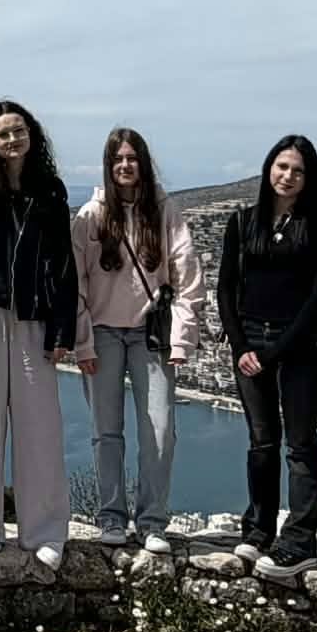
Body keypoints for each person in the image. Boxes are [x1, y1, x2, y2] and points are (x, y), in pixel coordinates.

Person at [0, 100, 77, 568]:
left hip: (34, 318)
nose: (11, 140)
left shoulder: (50, 190)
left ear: (32, 134)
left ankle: (44, 531)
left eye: (18, 131)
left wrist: (62, 328)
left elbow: (63, 262)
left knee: (40, 427)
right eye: (2, 133)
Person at [70, 128, 203, 555]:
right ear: (108, 166)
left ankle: (152, 521)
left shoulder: (164, 212)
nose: (125, 165)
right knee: (106, 432)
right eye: (118, 159)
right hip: (102, 334)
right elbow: (75, 283)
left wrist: (182, 339)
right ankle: (111, 516)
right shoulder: (90, 216)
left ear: (143, 162)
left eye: (131, 158)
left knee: (160, 431)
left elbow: (187, 275)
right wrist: (82, 342)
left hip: (151, 335)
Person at [218, 134, 317, 580]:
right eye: (282, 166)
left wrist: (273, 352)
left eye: (298, 170)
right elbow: (225, 288)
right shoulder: (242, 222)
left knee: (301, 443)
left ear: (309, 179)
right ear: (269, 168)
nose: (288, 176)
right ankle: (258, 530)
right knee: (262, 442)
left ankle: (300, 540)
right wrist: (241, 346)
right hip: (249, 342)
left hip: (298, 346)